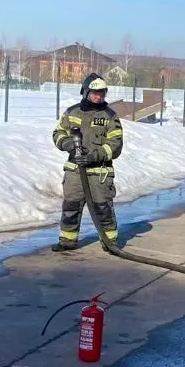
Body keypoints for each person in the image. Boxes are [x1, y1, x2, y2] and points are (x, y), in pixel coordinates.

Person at [50, 73, 123, 252]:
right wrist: (70, 145)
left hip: (99, 173)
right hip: (75, 170)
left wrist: (94, 155)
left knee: (102, 208)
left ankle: (109, 242)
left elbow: (115, 144)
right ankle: (67, 240)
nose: (99, 96)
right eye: (95, 93)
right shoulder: (72, 112)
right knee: (71, 205)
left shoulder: (110, 116)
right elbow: (58, 133)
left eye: (102, 93)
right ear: (86, 92)